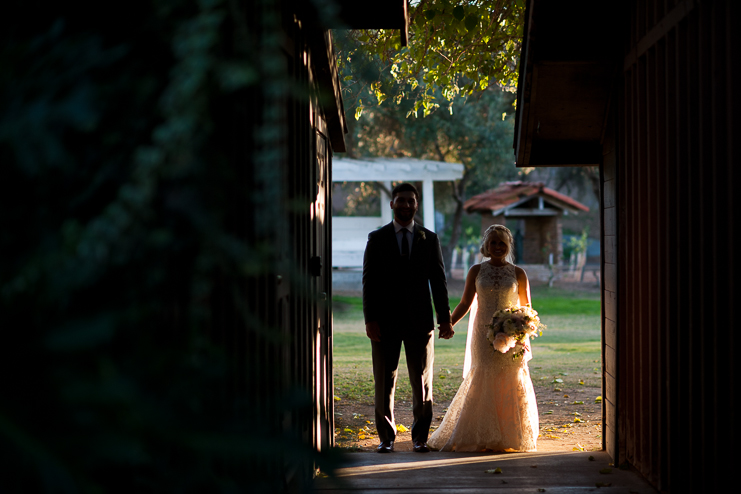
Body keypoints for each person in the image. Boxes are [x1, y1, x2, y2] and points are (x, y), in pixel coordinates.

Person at [428, 224, 539, 452]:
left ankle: (508, 436)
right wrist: (448, 324)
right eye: (493, 243)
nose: (497, 247)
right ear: (486, 246)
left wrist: (521, 335)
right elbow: (465, 303)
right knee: (483, 375)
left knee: (510, 378)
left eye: (502, 243)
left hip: (511, 334)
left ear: (508, 247)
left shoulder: (518, 273)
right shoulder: (476, 271)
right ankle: (479, 432)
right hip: (482, 334)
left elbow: (527, 308)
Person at [362, 182, 454, 454]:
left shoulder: (430, 238)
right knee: (384, 381)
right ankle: (386, 438)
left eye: (410, 201)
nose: (405, 205)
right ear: (392, 204)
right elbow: (369, 282)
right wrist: (370, 319)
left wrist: (445, 318)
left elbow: (438, 281)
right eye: (400, 200)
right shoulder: (376, 239)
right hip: (384, 323)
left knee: (423, 382)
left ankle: (419, 438)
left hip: (420, 322)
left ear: (416, 205)